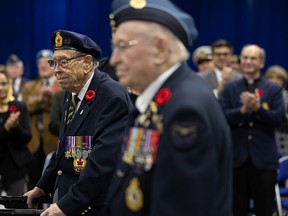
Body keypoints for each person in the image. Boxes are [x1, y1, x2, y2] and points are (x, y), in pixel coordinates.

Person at [106, 0, 232, 215]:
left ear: (160, 49)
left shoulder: (185, 110)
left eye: (122, 46)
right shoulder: (159, 101)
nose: (114, 59)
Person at [24, 30, 133, 216]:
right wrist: (42, 186)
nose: (56, 69)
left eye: (63, 62)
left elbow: (101, 166)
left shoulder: (112, 97)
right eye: (54, 62)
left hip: (95, 205)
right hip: (71, 197)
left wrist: (66, 206)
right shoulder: (72, 90)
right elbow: (65, 148)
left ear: (87, 63)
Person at [220, 44, 285, 216]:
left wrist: (258, 109)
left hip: (263, 160)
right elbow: (222, 118)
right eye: (245, 58)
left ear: (261, 63)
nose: (248, 62)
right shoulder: (230, 88)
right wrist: (242, 111)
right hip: (236, 159)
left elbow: (278, 120)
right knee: (236, 209)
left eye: (253, 58)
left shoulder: (274, 89)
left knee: (264, 209)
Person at [22, 49, 60, 190]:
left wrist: (52, 96)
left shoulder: (62, 85)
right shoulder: (30, 86)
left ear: (54, 65)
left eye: (47, 62)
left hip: (54, 140)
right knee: (34, 182)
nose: (43, 66)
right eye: (40, 63)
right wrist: (40, 99)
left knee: (55, 182)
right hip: (34, 142)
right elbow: (24, 106)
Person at [0, 67, 33, 195]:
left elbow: (27, 136)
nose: (1, 88)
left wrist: (15, 127)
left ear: (9, 84)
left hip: (16, 167)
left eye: (4, 83)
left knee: (17, 207)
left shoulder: (19, 106)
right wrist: (6, 128)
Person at [265, 65, 288, 155]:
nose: (274, 80)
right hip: (264, 141)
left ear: (283, 81)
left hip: (284, 143)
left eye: (278, 78)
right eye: (271, 77)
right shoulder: (259, 95)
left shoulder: (286, 97)